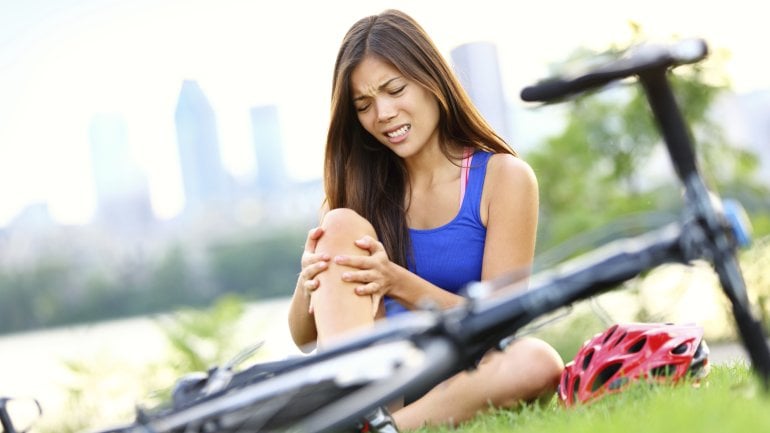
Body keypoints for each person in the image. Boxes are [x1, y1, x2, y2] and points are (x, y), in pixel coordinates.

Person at [287, 8, 564, 430]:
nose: (382, 114)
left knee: (537, 361)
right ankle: (365, 416)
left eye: (394, 89)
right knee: (340, 224)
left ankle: (385, 429)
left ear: (431, 80)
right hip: (379, 380)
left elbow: (501, 321)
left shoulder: (502, 179)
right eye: (363, 105)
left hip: (466, 374)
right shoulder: (358, 194)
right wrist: (308, 284)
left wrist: (397, 281)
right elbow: (304, 337)